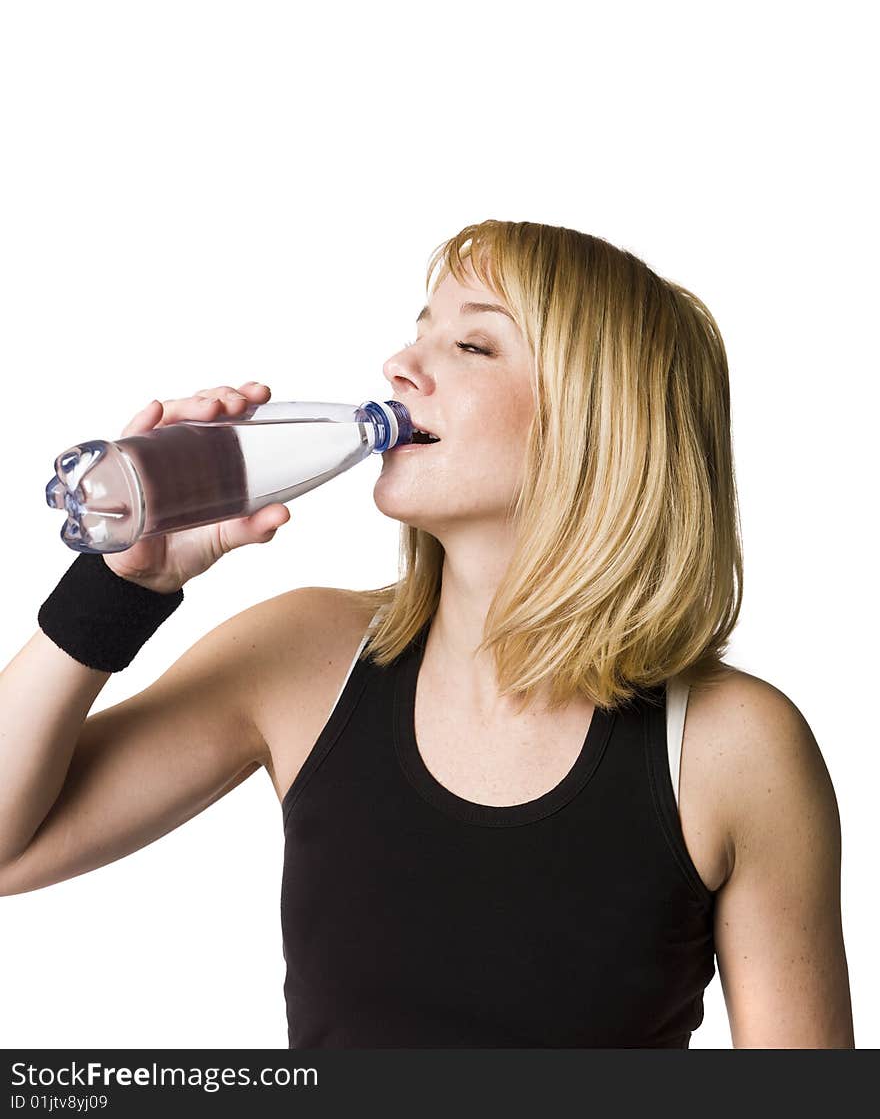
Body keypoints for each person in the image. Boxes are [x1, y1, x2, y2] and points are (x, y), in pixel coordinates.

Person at [0, 220, 855, 1049]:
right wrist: (122, 585)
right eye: (419, 334)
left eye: (472, 346)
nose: (400, 366)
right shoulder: (305, 657)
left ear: (600, 419)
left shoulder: (733, 748)